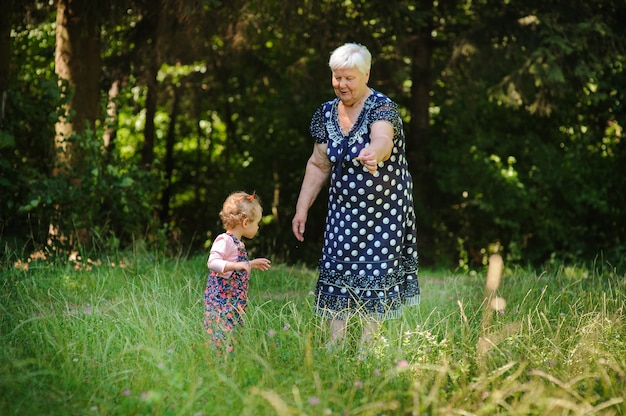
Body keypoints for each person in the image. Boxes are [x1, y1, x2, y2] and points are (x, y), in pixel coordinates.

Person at [292, 43, 420, 350]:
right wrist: (301, 208)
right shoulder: (326, 113)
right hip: (343, 209)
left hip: (384, 211)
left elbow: (383, 138)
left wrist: (373, 154)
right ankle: (334, 344)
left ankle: (367, 347)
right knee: (337, 267)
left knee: (374, 269)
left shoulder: (381, 107)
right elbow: (319, 163)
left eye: (349, 78)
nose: (342, 84)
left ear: (366, 74)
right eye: (337, 77)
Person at [204, 191, 271, 353]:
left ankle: (230, 360)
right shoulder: (224, 240)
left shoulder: (237, 243)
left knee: (233, 333)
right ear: (246, 222)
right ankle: (218, 360)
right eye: (257, 223)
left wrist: (251, 264)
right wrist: (237, 266)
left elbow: (237, 264)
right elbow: (212, 262)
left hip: (233, 301)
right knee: (220, 332)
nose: (258, 227)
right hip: (221, 301)